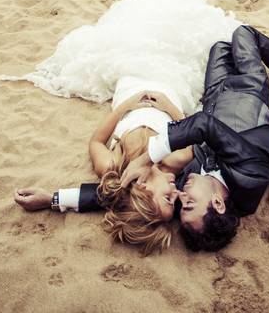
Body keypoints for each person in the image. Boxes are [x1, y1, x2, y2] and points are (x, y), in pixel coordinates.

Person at [19, 26, 269, 252]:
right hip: (246, 94)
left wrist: (53, 199)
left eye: (181, 206)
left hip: (212, 97)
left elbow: (125, 194)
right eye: (189, 205)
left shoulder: (187, 191)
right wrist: (147, 156)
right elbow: (203, 126)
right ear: (218, 203)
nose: (181, 198)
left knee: (223, 43)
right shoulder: (250, 177)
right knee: (239, 35)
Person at [16, 78, 194, 254]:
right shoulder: (177, 159)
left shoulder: (114, 166)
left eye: (168, 198)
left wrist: (125, 106)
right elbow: (191, 128)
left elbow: (96, 142)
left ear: (143, 187)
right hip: (169, 93)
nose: (177, 193)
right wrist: (168, 106)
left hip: (130, 95)